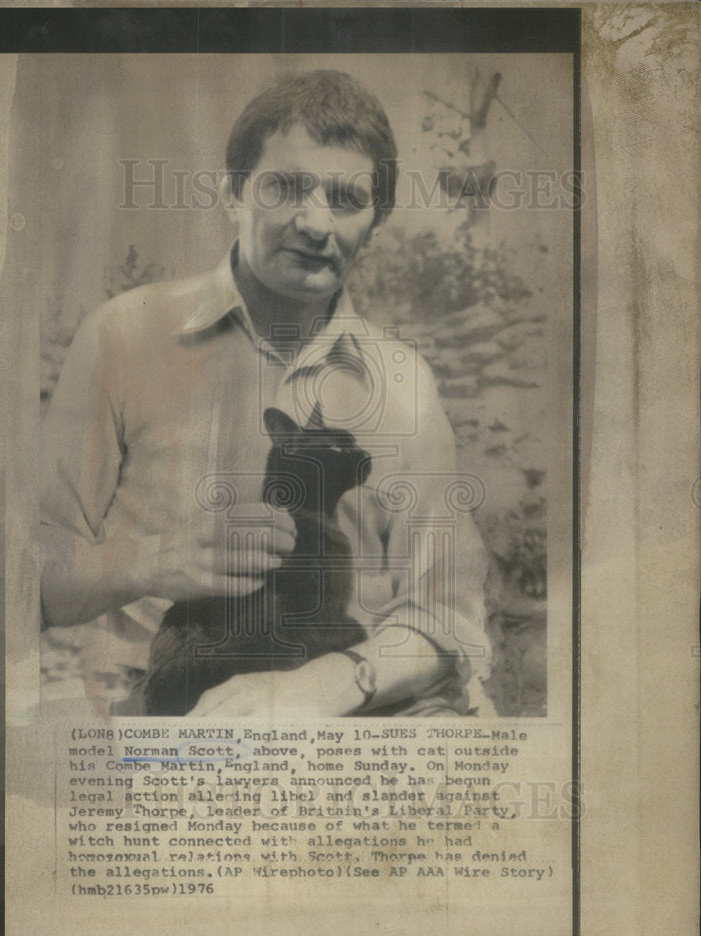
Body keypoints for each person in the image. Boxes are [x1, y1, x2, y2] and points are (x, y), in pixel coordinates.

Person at [40, 69, 492, 717]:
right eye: (284, 188)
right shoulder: (121, 335)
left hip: (351, 711)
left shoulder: (405, 381)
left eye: (345, 198)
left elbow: (448, 615)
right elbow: (24, 577)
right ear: (233, 194)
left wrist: (321, 686)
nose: (313, 223)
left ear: (377, 220)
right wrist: (142, 562)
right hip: (173, 715)